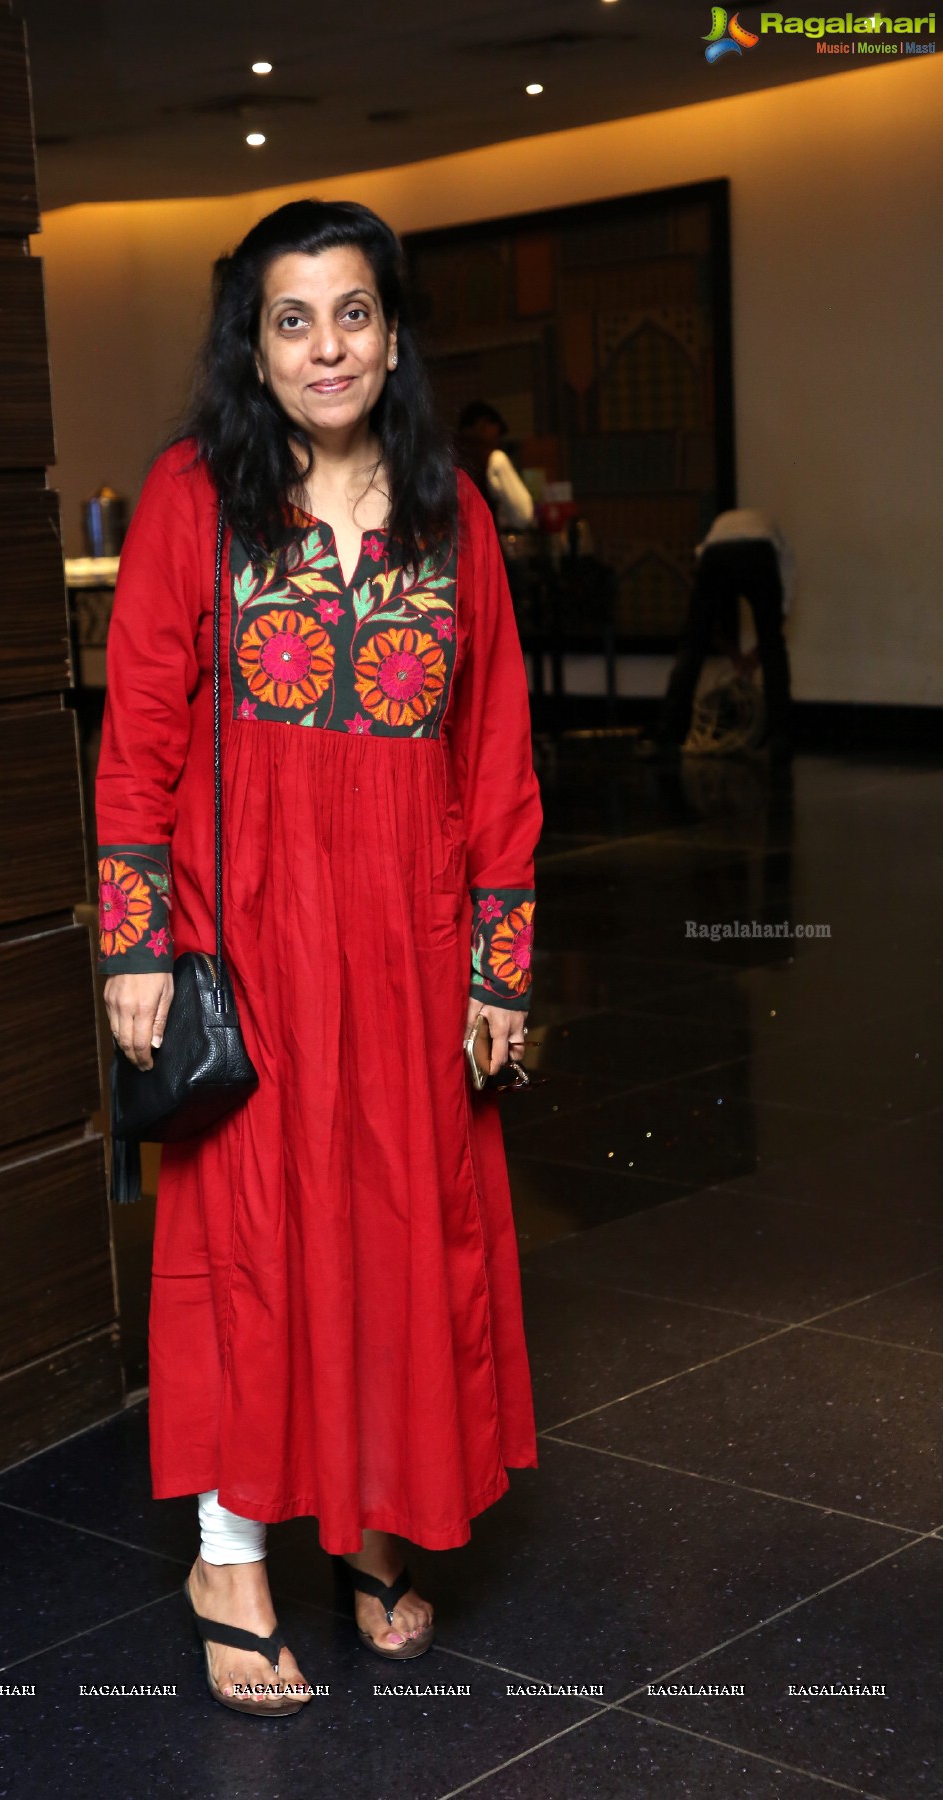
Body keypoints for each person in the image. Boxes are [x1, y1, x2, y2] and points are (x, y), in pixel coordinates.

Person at [95, 200, 543, 1717]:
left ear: (393, 333)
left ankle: (366, 1521)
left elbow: (494, 755)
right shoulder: (193, 497)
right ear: (256, 344)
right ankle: (230, 1553)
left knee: (398, 1229)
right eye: (292, 320)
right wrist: (137, 942)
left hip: (412, 945)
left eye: (352, 313)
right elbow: (144, 730)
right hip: (251, 934)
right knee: (251, 1242)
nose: (326, 346)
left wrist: (499, 967)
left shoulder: (449, 512)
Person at [637, 507, 795, 760]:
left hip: (717, 552)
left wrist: (737, 655)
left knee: (692, 644)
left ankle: (668, 736)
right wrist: (755, 654)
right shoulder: (779, 547)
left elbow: (703, 624)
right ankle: (780, 739)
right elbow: (776, 621)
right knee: (774, 646)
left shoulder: (719, 529)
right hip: (757, 551)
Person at [454, 400, 538, 532]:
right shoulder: (495, 459)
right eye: (497, 430)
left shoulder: (450, 459)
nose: (498, 438)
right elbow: (523, 514)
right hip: (484, 543)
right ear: (482, 426)